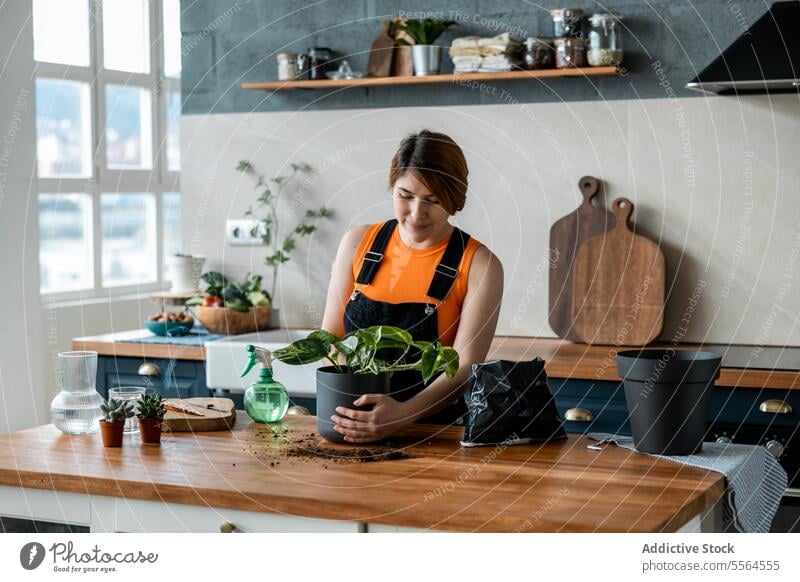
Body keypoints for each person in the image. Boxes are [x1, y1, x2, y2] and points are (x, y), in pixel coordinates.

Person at [321, 130, 504, 443]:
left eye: (432, 201)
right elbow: (330, 339)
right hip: (352, 427)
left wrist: (401, 414)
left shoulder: (479, 265)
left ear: (454, 199)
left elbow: (465, 365)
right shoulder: (357, 243)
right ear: (393, 186)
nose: (417, 213)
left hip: (436, 436)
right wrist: (358, 410)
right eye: (405, 196)